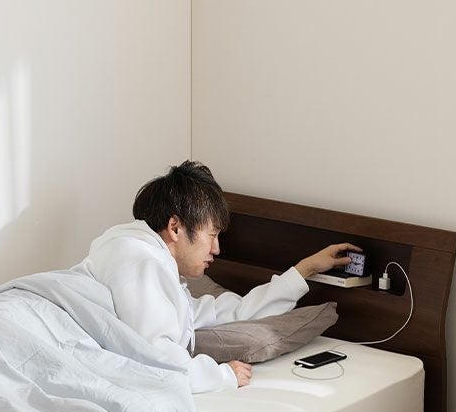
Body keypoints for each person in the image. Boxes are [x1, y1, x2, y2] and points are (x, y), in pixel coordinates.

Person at [79, 161, 360, 393]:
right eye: (212, 235)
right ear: (175, 227)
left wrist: (305, 269)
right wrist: (223, 375)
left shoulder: (150, 266)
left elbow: (234, 312)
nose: (216, 249)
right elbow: (158, 361)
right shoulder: (139, 258)